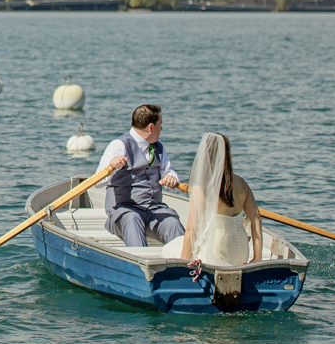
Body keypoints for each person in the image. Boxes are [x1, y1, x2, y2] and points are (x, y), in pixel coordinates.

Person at [97, 104, 185, 248]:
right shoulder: (119, 145)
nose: (161, 129)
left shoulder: (158, 147)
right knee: (133, 219)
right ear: (151, 127)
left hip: (153, 208)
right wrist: (111, 166)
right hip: (124, 209)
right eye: (160, 125)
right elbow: (98, 182)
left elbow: (168, 170)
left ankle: (187, 264)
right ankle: (139, 265)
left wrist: (171, 177)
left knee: (172, 222)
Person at [169, 132, 263, 267]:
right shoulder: (241, 183)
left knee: (170, 248)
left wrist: (183, 261)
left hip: (216, 252)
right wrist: (257, 257)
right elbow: (256, 219)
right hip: (241, 251)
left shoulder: (200, 188)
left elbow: (192, 230)